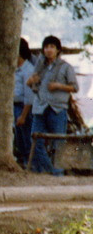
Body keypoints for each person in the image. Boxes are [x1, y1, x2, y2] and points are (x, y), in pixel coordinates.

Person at [26, 35, 77, 175]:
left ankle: (58, 174)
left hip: (57, 108)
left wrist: (59, 86)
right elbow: (34, 86)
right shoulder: (40, 67)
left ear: (58, 50)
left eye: (52, 47)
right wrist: (31, 82)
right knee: (35, 141)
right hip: (40, 107)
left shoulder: (65, 67)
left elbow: (74, 87)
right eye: (46, 47)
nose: (49, 50)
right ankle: (52, 171)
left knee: (58, 142)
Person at [13, 38, 36, 167]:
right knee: (20, 140)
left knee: (27, 140)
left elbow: (29, 96)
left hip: (24, 108)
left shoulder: (28, 70)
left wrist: (23, 115)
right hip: (16, 106)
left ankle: (30, 166)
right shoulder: (16, 70)